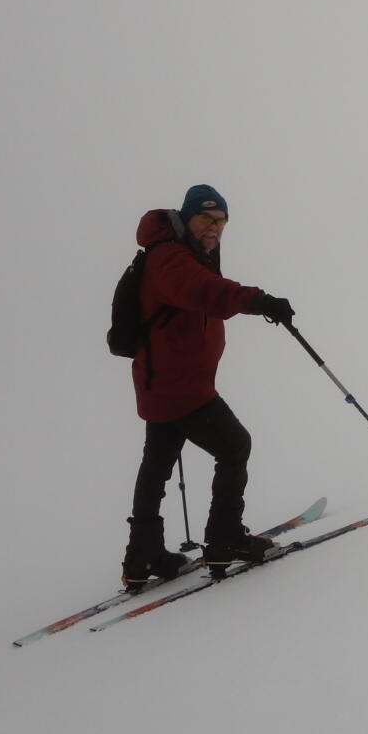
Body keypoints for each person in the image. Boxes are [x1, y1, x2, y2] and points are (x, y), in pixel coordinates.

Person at [123, 184, 296, 584]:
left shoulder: (185, 253)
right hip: (179, 386)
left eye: (221, 221)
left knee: (157, 466)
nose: (214, 227)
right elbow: (206, 292)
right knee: (235, 446)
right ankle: (225, 539)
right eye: (206, 218)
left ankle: (142, 555)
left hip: (163, 381)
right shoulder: (170, 259)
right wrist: (259, 301)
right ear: (187, 218)